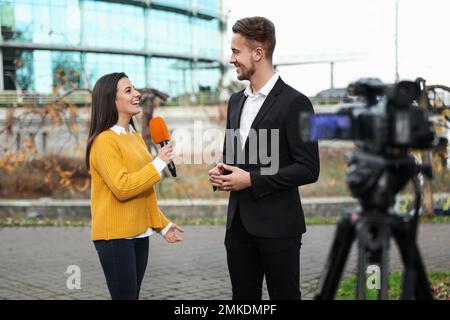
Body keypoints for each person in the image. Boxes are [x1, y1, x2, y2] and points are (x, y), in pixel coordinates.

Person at [208, 17, 320, 300]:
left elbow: (308, 168)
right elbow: (233, 154)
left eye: (236, 51)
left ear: (258, 53)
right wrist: (221, 172)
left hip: (279, 227)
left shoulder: (297, 103)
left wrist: (250, 180)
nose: (231, 58)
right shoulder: (236, 101)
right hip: (237, 227)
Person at [85, 72, 184, 300]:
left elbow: (144, 191)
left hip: (140, 234)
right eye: (128, 90)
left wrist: (162, 224)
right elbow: (123, 187)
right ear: (112, 100)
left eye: (134, 88)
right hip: (115, 237)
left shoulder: (135, 137)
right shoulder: (104, 141)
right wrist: (159, 162)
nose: (137, 93)